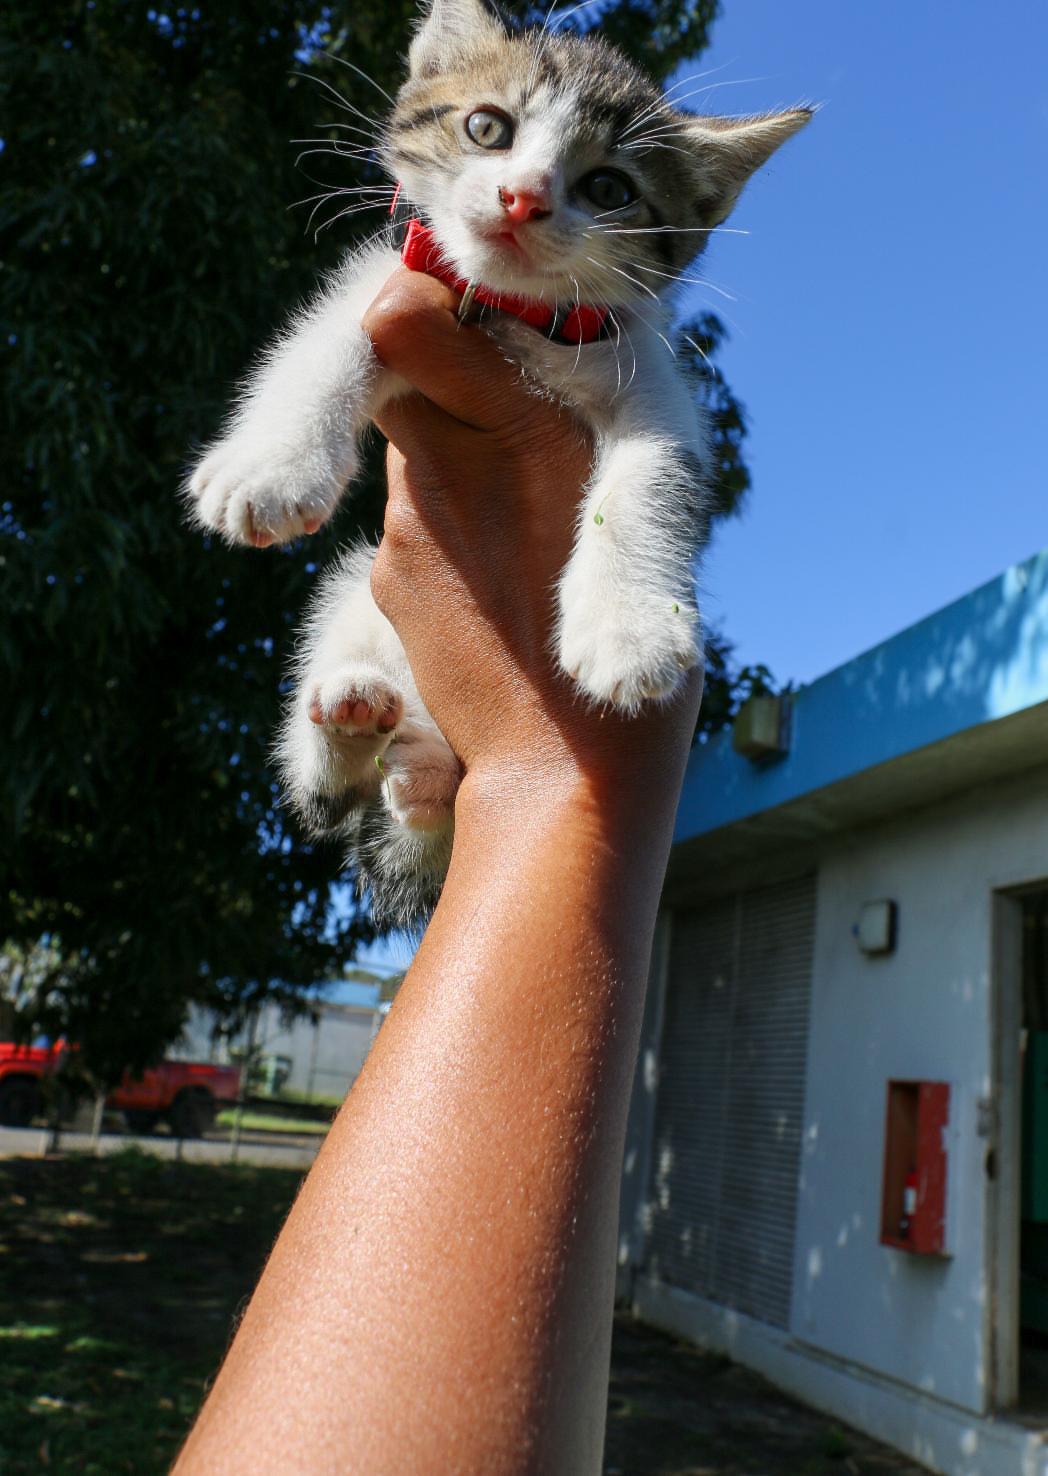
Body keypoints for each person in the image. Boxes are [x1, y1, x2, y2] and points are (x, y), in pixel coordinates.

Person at [174, 268, 701, 1475]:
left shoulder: (618, 339)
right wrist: (297, 449)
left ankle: (412, 769)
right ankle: (359, 746)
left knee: (415, 645)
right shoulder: (429, 269)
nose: (523, 199)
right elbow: (353, 343)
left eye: (598, 186)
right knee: (361, 605)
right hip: (418, 653)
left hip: (520, 690)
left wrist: (553, 763)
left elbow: (650, 443)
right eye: (487, 133)